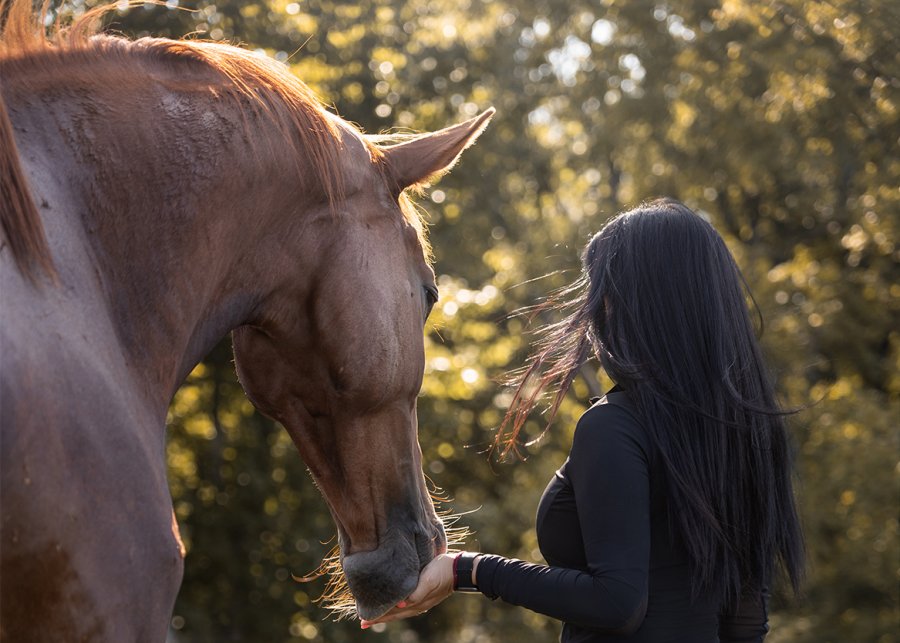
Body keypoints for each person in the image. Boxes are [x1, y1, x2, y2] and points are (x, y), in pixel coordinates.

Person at [360, 198, 804, 641]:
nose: (594, 311)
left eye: (601, 293)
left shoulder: (614, 427)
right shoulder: (749, 431)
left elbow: (616, 603)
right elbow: (747, 623)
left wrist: (468, 569)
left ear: (629, 305)